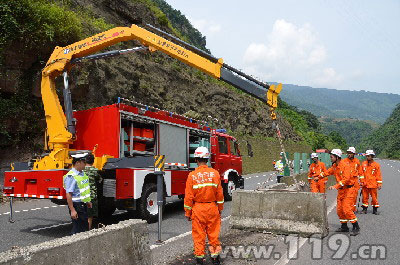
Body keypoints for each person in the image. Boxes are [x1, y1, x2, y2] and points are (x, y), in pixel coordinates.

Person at [184, 147, 224, 265]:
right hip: (212, 208)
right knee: (214, 234)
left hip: (198, 209)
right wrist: (220, 209)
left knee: (199, 235)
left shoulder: (192, 176)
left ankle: (200, 259)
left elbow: (189, 197)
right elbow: (220, 194)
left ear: (196, 159)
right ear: (207, 159)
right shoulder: (215, 173)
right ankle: (215, 258)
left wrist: (188, 213)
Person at [321, 149, 360, 236]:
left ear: (337, 157)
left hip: (349, 190)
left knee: (346, 209)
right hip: (341, 191)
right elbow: (327, 172)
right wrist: (318, 176)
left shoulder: (345, 165)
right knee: (339, 210)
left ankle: (356, 227)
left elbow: (346, 179)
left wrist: (335, 186)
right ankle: (344, 226)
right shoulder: (335, 166)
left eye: (331, 157)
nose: (330, 158)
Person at [63, 152, 92, 235]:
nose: (85, 165)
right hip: (77, 205)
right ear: (77, 163)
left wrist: (87, 201)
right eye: (84, 163)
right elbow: (69, 193)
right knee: (77, 229)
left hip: (83, 204)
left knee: (84, 228)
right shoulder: (71, 176)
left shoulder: (82, 174)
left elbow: (83, 190)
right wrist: (72, 210)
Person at [360, 150, 382, 215]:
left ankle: (375, 210)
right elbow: (361, 174)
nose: (367, 157)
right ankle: (364, 209)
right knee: (364, 197)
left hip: (373, 185)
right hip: (365, 185)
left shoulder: (376, 165)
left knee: (374, 198)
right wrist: (362, 181)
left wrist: (379, 184)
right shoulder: (363, 164)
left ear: (372, 156)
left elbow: (378, 175)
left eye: (368, 156)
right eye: (366, 156)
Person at [342, 147, 362, 212]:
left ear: (354, 154)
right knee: (346, 195)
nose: (349, 154)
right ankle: (345, 208)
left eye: (351, 153)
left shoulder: (357, 161)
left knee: (354, 196)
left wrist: (362, 181)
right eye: (348, 153)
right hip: (347, 181)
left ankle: (352, 210)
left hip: (355, 180)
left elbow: (360, 172)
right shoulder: (344, 161)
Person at [84, 153, 101, 230]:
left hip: (82, 194)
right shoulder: (94, 170)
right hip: (91, 195)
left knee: (83, 212)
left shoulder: (81, 170)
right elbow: (100, 179)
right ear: (93, 161)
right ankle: (88, 229)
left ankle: (81, 228)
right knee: (89, 215)